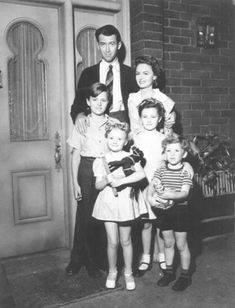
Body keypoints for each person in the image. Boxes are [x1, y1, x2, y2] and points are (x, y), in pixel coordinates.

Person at [66, 82, 118, 277]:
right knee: (85, 217)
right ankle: (82, 261)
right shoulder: (82, 123)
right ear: (88, 101)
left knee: (103, 216)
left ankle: (97, 258)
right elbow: (75, 155)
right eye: (95, 99)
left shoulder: (113, 123)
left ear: (108, 102)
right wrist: (75, 184)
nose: (99, 103)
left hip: (105, 170)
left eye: (103, 100)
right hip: (87, 170)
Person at [92, 122, 147, 290]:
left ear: (125, 141)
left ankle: (128, 272)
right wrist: (106, 180)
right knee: (112, 242)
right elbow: (97, 186)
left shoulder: (130, 157)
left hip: (125, 202)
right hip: (108, 203)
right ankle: (112, 271)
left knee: (126, 240)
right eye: (111, 138)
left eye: (119, 138)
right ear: (106, 139)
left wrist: (121, 181)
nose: (115, 141)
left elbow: (141, 175)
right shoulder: (101, 159)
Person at [147, 133, 194, 291]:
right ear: (164, 153)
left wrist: (170, 195)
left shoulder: (185, 170)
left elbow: (185, 192)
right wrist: (152, 198)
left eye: (176, 151)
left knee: (181, 244)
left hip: (181, 211)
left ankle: (185, 276)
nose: (172, 154)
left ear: (184, 153)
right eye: (168, 151)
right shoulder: (160, 170)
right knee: (168, 243)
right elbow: (153, 187)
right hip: (165, 211)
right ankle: (169, 272)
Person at [70, 24, 138, 131]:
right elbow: (77, 104)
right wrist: (79, 115)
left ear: (119, 45)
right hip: (95, 126)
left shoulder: (131, 74)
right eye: (103, 44)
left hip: (123, 126)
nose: (107, 50)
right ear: (98, 46)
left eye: (111, 44)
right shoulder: (88, 73)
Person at [133, 98, 167, 276]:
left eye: (153, 116)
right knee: (146, 224)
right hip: (142, 187)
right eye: (145, 116)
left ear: (159, 118)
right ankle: (146, 256)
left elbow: (168, 163)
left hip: (160, 187)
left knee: (160, 223)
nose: (148, 120)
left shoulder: (164, 139)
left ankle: (162, 255)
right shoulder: (135, 140)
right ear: (140, 118)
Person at [127, 55, 175, 135]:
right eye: (138, 74)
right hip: (137, 143)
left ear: (154, 76)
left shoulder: (163, 99)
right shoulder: (132, 98)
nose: (140, 77)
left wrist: (172, 117)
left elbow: (169, 127)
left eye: (145, 73)